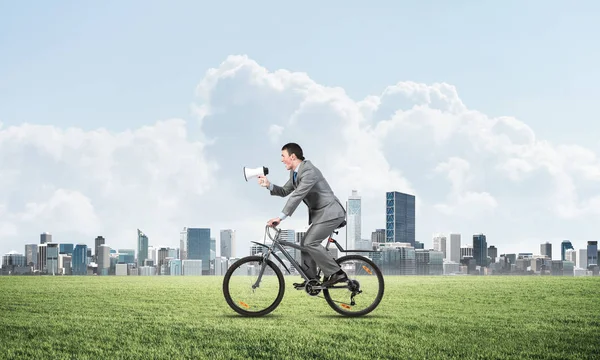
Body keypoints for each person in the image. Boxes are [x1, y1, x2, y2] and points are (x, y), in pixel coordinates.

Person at [257, 142, 348, 288]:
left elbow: (298, 195)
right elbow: (285, 191)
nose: (281, 160)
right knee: (304, 244)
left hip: (331, 213)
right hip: (322, 214)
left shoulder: (309, 172)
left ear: (292, 157)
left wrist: (280, 217)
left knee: (310, 242)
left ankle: (337, 273)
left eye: (283, 156)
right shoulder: (296, 173)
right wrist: (269, 185)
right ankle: (311, 279)